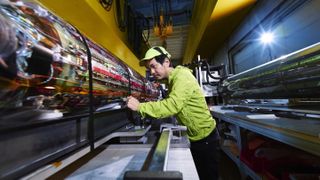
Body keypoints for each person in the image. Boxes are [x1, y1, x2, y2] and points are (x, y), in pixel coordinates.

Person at [126, 46, 220, 180]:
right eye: (149, 69)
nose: (152, 72)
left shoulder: (181, 76)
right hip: (195, 138)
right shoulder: (171, 81)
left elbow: (172, 105)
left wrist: (140, 107)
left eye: (154, 66)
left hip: (205, 139)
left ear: (166, 62)